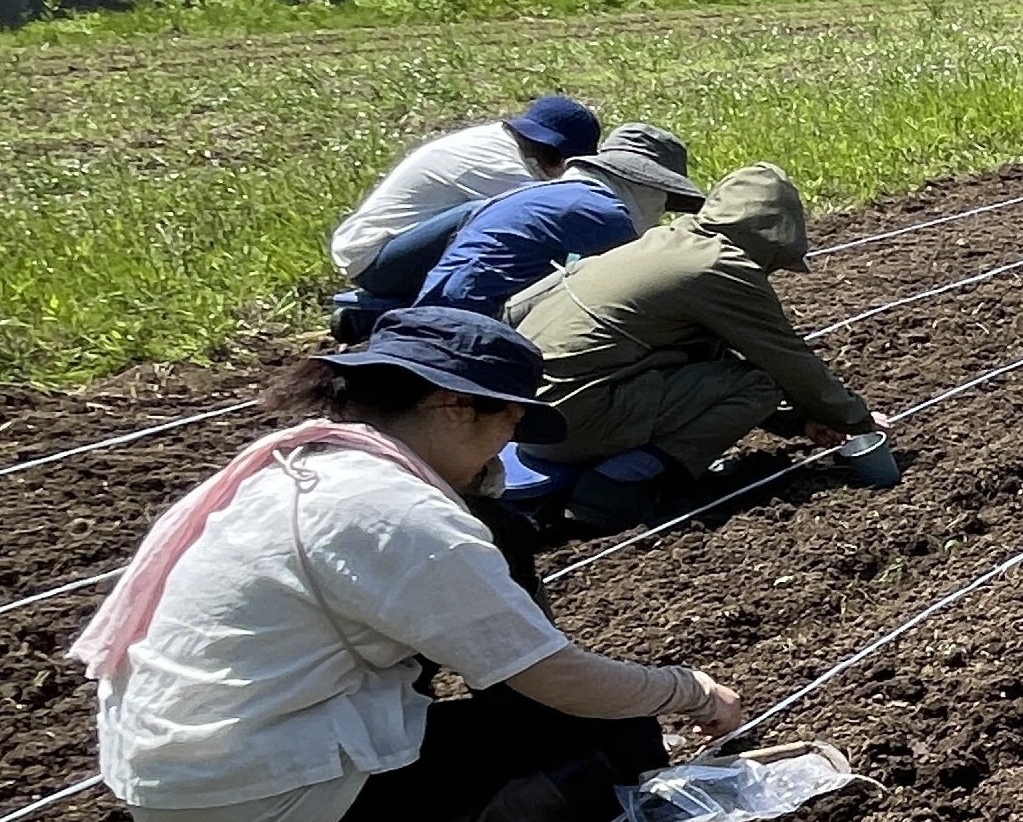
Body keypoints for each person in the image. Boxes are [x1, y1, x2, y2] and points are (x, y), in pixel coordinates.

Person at [72, 308, 746, 822]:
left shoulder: (289, 470)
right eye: (508, 422)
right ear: (454, 406)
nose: (507, 447)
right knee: (614, 731)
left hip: (183, 791)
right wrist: (686, 690)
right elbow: (551, 677)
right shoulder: (397, 513)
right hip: (268, 799)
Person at [507, 163, 881, 527]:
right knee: (760, 383)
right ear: (773, 238)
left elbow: (705, 361)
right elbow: (786, 361)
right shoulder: (721, 266)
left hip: (523, 416)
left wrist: (798, 421)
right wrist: (855, 419)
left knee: (725, 375)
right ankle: (618, 485)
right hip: (569, 420)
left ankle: (609, 466)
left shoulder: (663, 242)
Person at [327, 94, 603, 343]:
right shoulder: (497, 164)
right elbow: (554, 215)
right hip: (378, 261)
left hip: (395, 250)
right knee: (501, 217)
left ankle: (376, 317)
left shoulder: (505, 145)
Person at [414, 125, 705, 318]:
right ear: (646, 187)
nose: (659, 213)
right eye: (663, 200)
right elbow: (636, 297)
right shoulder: (605, 216)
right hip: (478, 321)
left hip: (434, 312)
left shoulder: (533, 194)